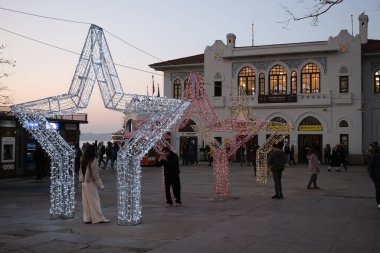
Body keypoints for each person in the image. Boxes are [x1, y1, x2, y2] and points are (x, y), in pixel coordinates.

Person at [78, 144, 110, 224]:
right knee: (94, 201)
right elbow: (95, 175)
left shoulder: (83, 159)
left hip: (84, 183)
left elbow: (80, 172)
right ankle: (98, 218)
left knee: (86, 202)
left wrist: (80, 182)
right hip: (90, 183)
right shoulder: (94, 160)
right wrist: (100, 185)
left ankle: (87, 218)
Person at [367, 142, 380, 210]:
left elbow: (370, 167)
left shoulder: (374, 157)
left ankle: (379, 204)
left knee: (378, 190)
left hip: (376, 177)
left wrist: (372, 176)